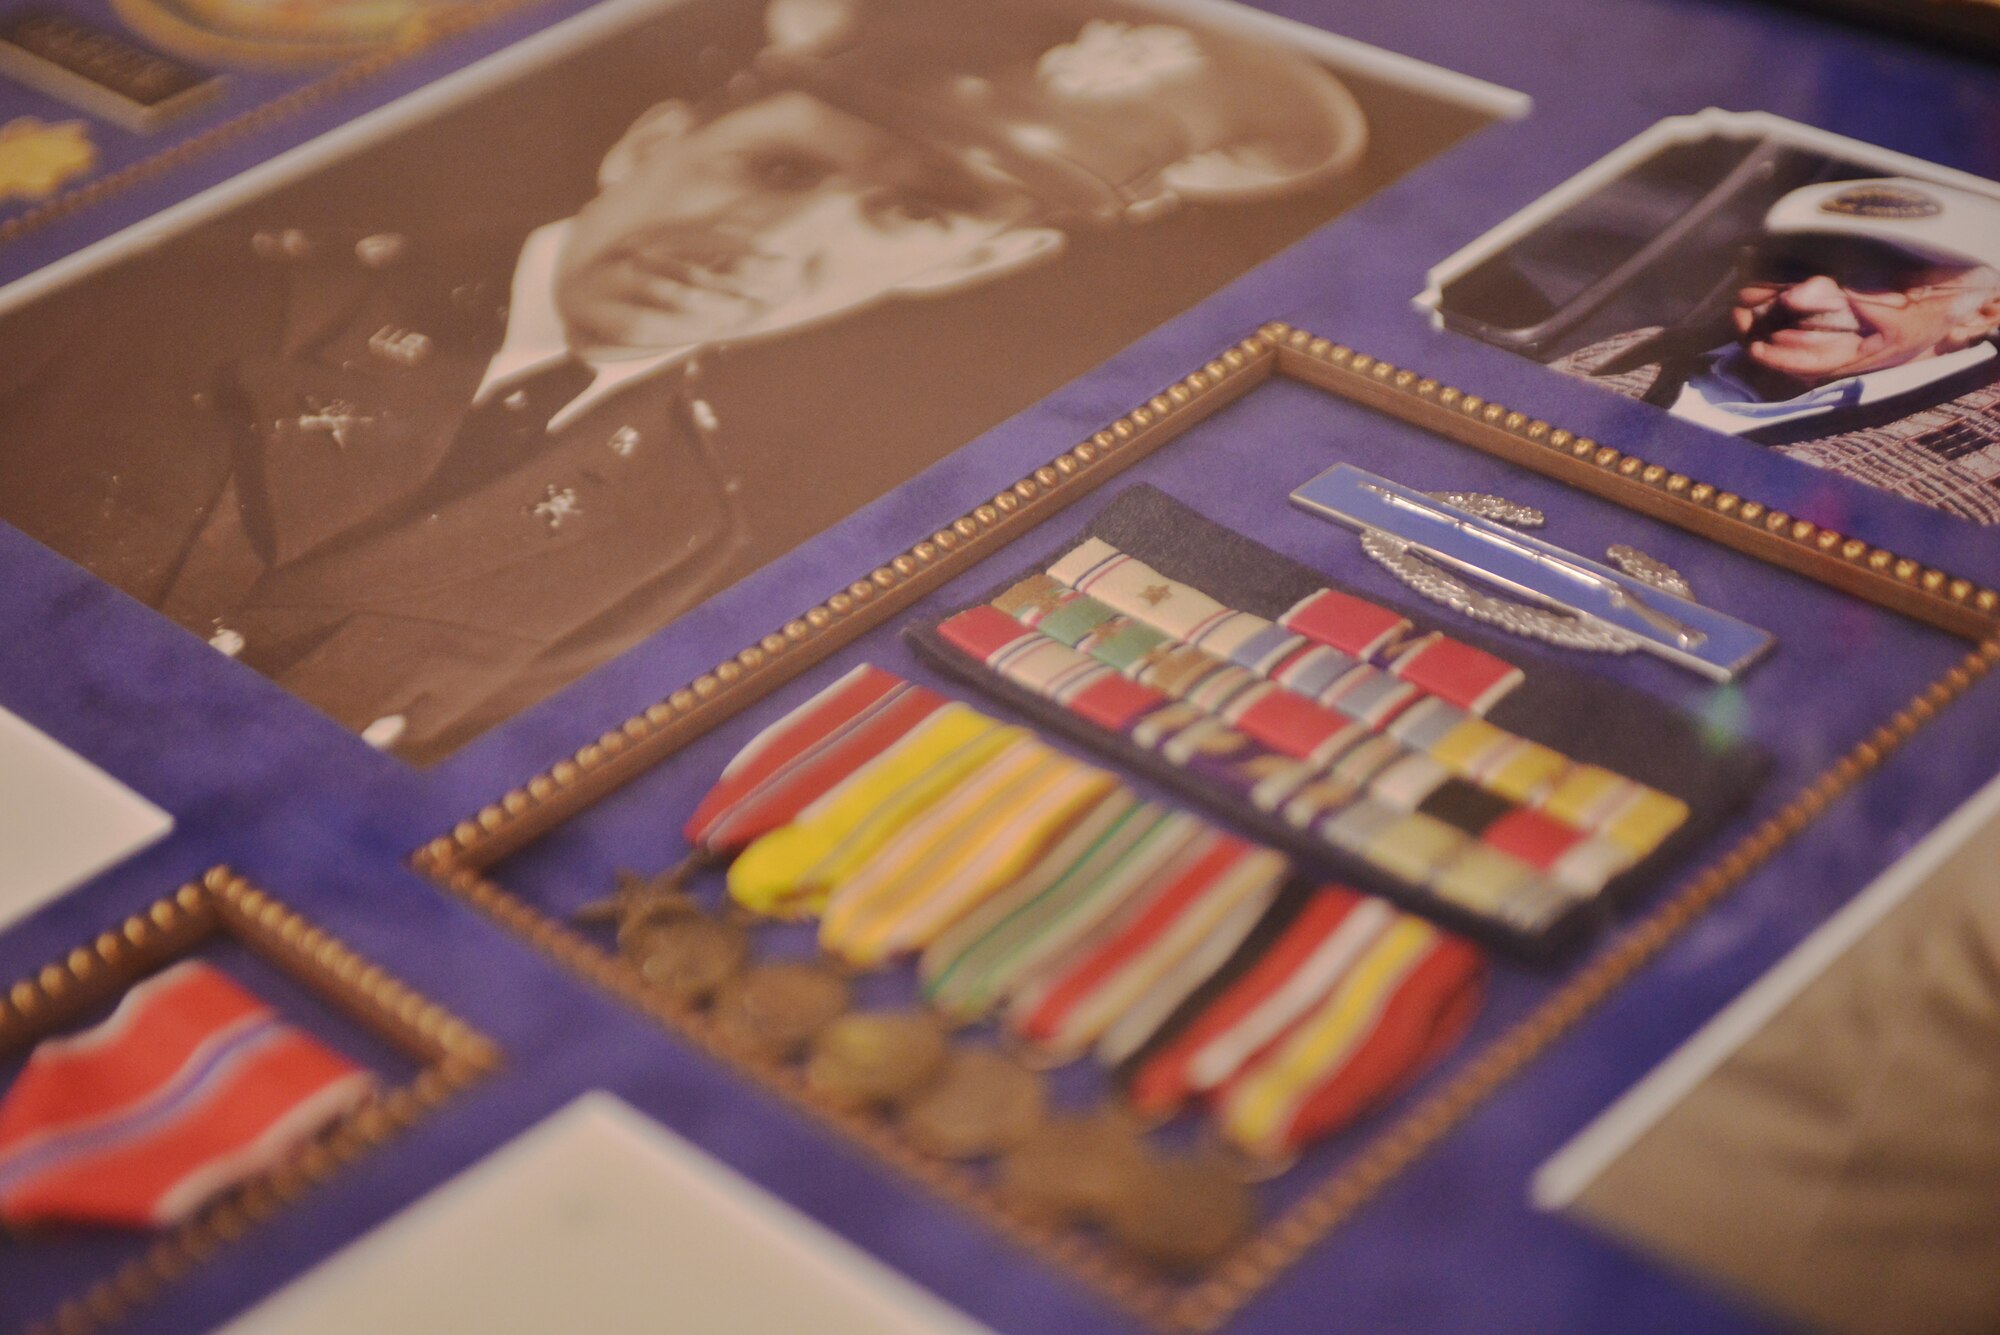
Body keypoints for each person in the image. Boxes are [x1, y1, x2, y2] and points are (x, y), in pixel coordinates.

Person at [0, 0, 1367, 764]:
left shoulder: (676, 530)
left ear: (971, 269)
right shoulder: (177, 298)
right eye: (778, 168)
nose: (769, 245)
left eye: (915, 219)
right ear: (655, 136)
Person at [1553, 176, 2000, 524]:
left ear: (1984, 311)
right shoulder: (1640, 349)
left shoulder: (1985, 469)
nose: (1801, 299)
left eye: (1872, 278)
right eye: (1785, 266)